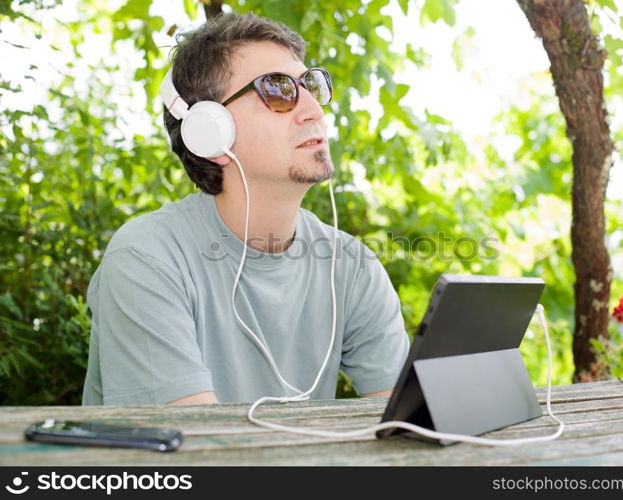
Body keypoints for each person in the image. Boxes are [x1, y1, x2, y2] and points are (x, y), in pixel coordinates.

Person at [81, 12, 409, 406]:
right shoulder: (147, 259)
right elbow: (198, 447)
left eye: (311, 86)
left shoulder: (352, 266)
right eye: (277, 89)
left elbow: (406, 419)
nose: (314, 111)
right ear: (210, 132)